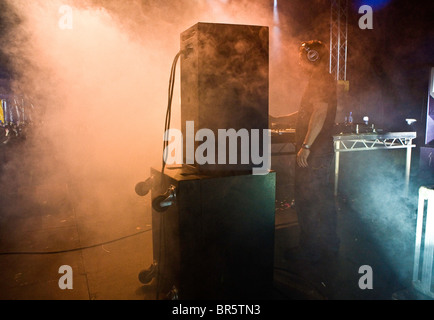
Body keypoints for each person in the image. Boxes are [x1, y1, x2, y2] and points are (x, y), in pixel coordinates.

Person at [275, 40, 340, 263]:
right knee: (320, 199)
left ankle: (310, 253)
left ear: (312, 57)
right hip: (318, 152)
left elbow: (320, 112)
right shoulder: (320, 79)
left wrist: (306, 146)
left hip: (315, 152)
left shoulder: (321, 78)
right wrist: (277, 119)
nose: (299, 62)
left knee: (308, 200)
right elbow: (307, 111)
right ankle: (328, 249)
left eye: (302, 57)